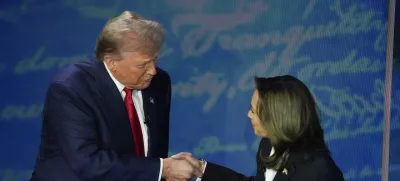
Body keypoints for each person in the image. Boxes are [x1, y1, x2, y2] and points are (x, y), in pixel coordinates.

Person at [30, 11, 201, 181]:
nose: (152, 71)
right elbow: (89, 162)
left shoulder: (159, 82)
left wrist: (167, 168)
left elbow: (153, 154)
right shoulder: (70, 88)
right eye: (142, 64)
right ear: (111, 62)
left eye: (154, 59)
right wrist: (163, 168)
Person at [174, 75, 344, 181]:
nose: (249, 115)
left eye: (254, 111)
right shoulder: (267, 145)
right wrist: (202, 170)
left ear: (276, 118)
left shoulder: (320, 173)